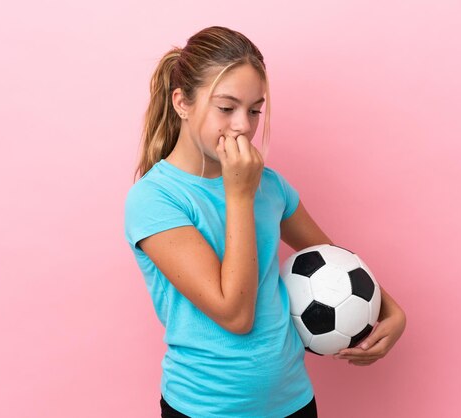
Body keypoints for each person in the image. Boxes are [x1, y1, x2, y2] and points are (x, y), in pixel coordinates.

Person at [124, 25, 407, 418]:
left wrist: (392, 312)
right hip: (205, 409)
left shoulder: (269, 186)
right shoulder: (155, 200)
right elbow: (235, 314)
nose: (243, 125)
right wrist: (238, 194)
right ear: (182, 102)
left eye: (254, 110)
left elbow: (329, 258)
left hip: (292, 401)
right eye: (226, 108)